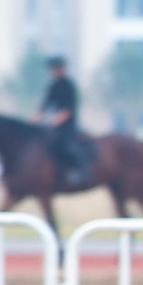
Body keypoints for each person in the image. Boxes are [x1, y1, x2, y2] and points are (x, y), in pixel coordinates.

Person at [40, 54, 95, 192]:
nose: (54, 71)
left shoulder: (68, 86)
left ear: (62, 69)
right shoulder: (52, 87)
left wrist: (53, 121)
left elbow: (67, 111)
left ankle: (82, 172)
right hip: (53, 126)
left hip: (68, 126)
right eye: (52, 68)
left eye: (57, 68)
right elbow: (43, 107)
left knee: (70, 146)